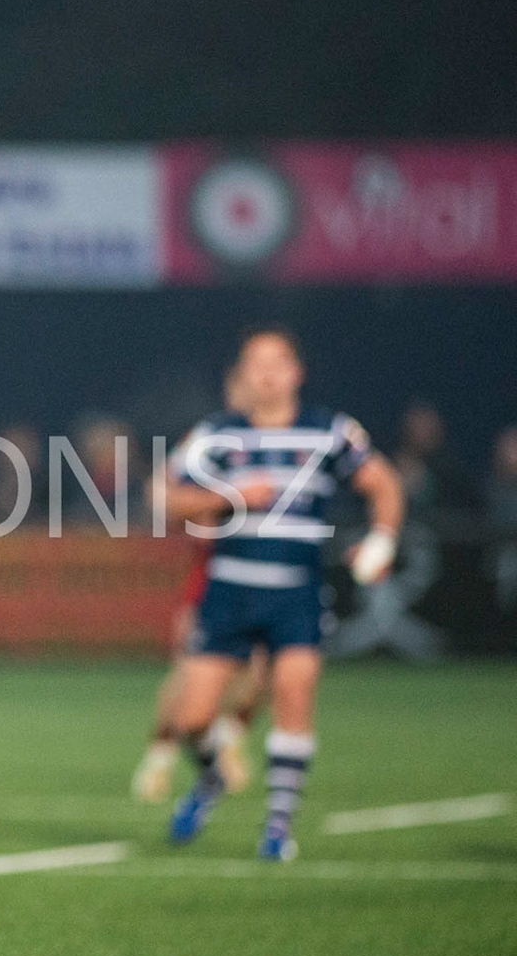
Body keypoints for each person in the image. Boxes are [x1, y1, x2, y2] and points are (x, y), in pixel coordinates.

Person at [162, 328, 402, 861]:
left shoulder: (329, 431)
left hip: (295, 591)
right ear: (241, 376)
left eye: (277, 363)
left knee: (294, 693)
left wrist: (381, 541)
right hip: (228, 590)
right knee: (191, 720)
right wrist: (227, 496)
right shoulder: (217, 434)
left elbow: (382, 485)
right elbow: (167, 498)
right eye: (255, 364)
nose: (266, 374)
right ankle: (212, 779)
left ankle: (277, 827)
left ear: (296, 372)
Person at [131, 367, 266, 803]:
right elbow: (161, 491)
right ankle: (159, 758)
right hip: (215, 570)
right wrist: (214, 508)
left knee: (263, 672)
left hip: (269, 574)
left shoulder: (290, 439)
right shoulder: (212, 439)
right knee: (191, 671)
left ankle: (226, 743)